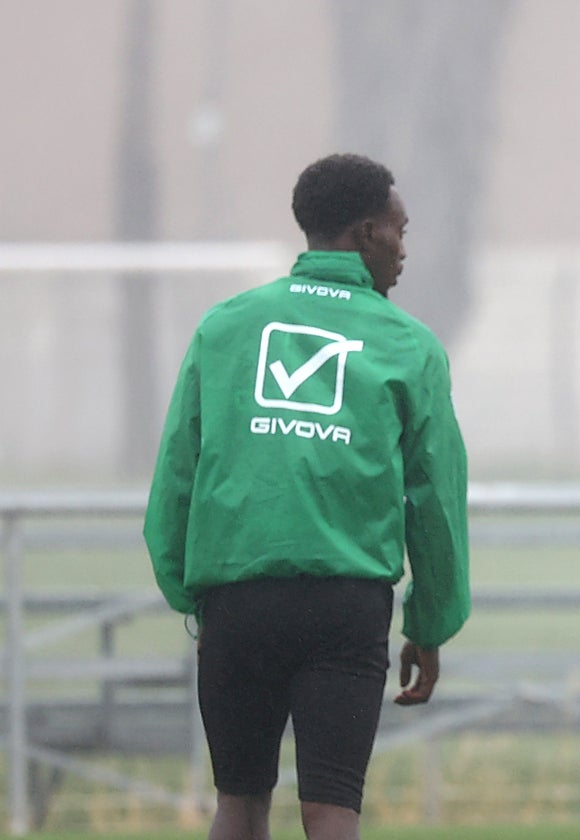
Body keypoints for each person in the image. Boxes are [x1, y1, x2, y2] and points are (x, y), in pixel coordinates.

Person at [144, 153, 470, 840]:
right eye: (399, 230)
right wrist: (430, 623)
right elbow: (435, 502)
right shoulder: (409, 347)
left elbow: (177, 476)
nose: (403, 250)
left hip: (236, 600)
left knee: (238, 803)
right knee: (331, 810)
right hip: (344, 607)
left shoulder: (225, 327)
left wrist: (193, 595)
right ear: (365, 233)